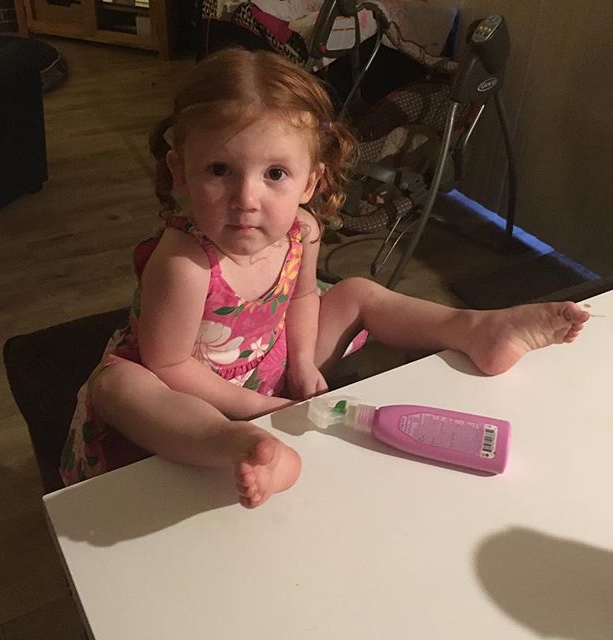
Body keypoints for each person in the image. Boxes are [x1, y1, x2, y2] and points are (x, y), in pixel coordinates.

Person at [59, 48, 590, 507]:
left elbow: (304, 297)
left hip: (266, 363)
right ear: (180, 172)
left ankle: (475, 328)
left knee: (356, 291)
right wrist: (259, 410)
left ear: (310, 181)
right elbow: (169, 365)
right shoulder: (183, 263)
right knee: (119, 386)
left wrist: (302, 361)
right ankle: (235, 446)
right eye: (219, 170)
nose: (247, 199)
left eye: (275, 174)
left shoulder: (301, 233)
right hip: (192, 394)